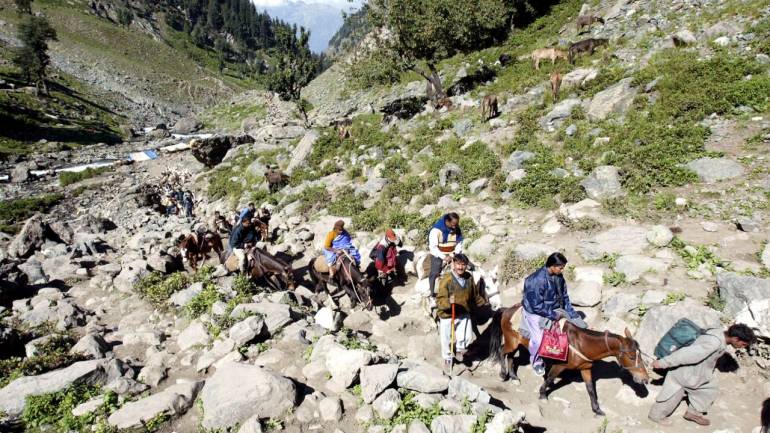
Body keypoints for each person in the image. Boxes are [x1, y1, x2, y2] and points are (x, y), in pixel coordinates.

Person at [648, 323, 756, 426]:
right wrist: (664, 362)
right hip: (686, 372)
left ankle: (693, 413)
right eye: (743, 344)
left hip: (698, 372)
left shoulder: (719, 333)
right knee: (673, 394)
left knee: (710, 389)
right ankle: (656, 416)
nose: (742, 347)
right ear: (736, 339)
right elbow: (688, 354)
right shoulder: (714, 343)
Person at [522, 252, 587, 377]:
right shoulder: (536, 280)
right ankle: (536, 362)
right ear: (551, 266)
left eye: (563, 267)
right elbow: (536, 305)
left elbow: (565, 297)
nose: (562, 270)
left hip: (555, 308)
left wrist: (573, 315)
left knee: (580, 326)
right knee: (539, 339)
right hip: (535, 311)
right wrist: (554, 315)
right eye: (560, 267)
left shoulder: (559, 277)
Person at [436, 254, 486, 368]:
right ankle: (447, 357)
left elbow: (474, 295)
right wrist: (449, 302)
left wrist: (482, 302)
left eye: (463, 265)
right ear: (453, 264)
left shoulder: (468, 277)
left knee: (466, 336)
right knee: (446, 338)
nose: (460, 267)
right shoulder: (447, 279)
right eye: (458, 264)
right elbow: (439, 300)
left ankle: (459, 349)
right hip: (448, 314)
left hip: (463, 312)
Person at [428, 213, 463, 298]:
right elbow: (433, 248)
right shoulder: (436, 230)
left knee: (468, 266)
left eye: (456, 224)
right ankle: (432, 294)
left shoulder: (456, 229)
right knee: (435, 272)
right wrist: (444, 257)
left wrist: (453, 254)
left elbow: (459, 243)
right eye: (453, 224)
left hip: (453, 253)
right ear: (447, 221)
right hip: (439, 254)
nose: (455, 227)